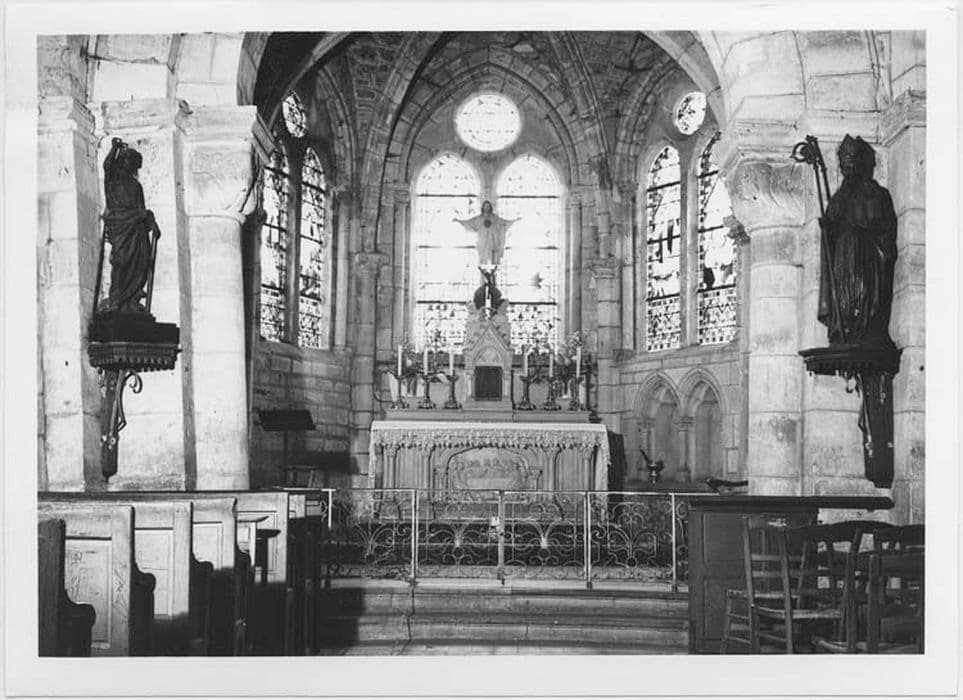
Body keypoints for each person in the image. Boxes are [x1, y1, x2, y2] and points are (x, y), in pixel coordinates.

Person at [818, 135, 898, 348]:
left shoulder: (877, 194)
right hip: (843, 261)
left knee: (864, 297)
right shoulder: (837, 199)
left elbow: (886, 233)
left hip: (866, 260)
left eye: (852, 165)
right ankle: (842, 328)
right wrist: (827, 228)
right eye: (844, 166)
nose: (848, 170)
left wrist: (863, 230)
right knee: (844, 299)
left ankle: (867, 330)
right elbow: (830, 238)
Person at [101, 137, 161, 314]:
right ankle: (117, 301)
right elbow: (107, 165)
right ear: (123, 162)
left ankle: (133, 299)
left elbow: (140, 208)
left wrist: (151, 221)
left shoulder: (136, 185)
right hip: (121, 226)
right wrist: (115, 148)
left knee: (141, 264)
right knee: (122, 262)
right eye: (132, 163)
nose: (134, 167)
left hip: (137, 229)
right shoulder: (113, 180)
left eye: (135, 164)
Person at [453, 200, 520, 267]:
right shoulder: (478, 219)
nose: (487, 208)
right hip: (482, 242)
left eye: (488, 206)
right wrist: (459, 221)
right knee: (483, 261)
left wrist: (514, 221)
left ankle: (493, 271)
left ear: (490, 207)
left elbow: (504, 223)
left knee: (493, 260)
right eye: (485, 206)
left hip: (493, 241)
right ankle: (483, 271)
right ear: (483, 207)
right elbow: (469, 223)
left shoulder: (495, 218)